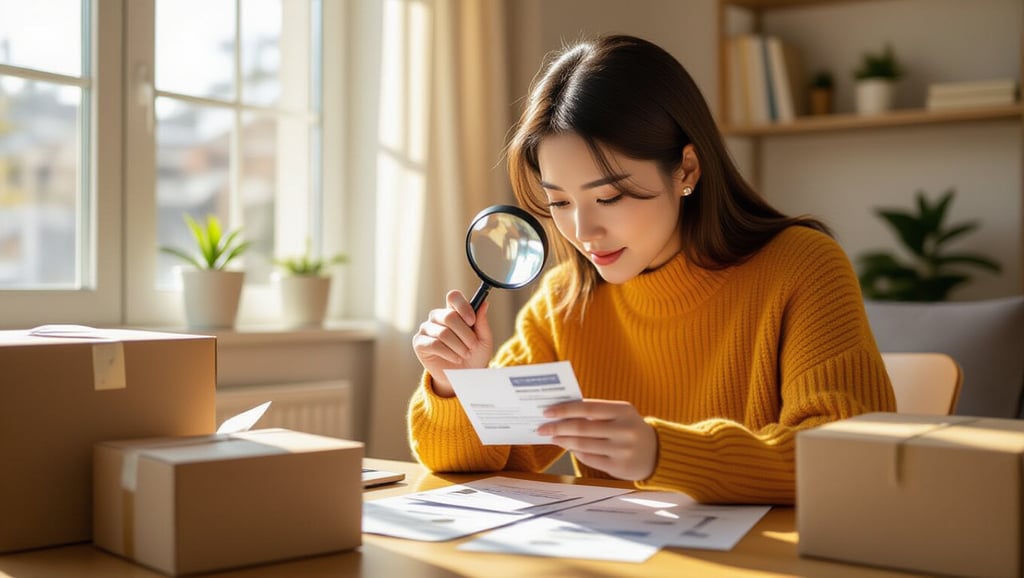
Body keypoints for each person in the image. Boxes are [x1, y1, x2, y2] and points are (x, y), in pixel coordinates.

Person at [408, 34, 895, 504]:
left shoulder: (801, 267)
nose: (583, 231)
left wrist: (663, 453)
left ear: (685, 169)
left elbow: (848, 458)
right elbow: (478, 463)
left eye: (608, 197)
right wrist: (456, 384)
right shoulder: (565, 301)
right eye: (558, 201)